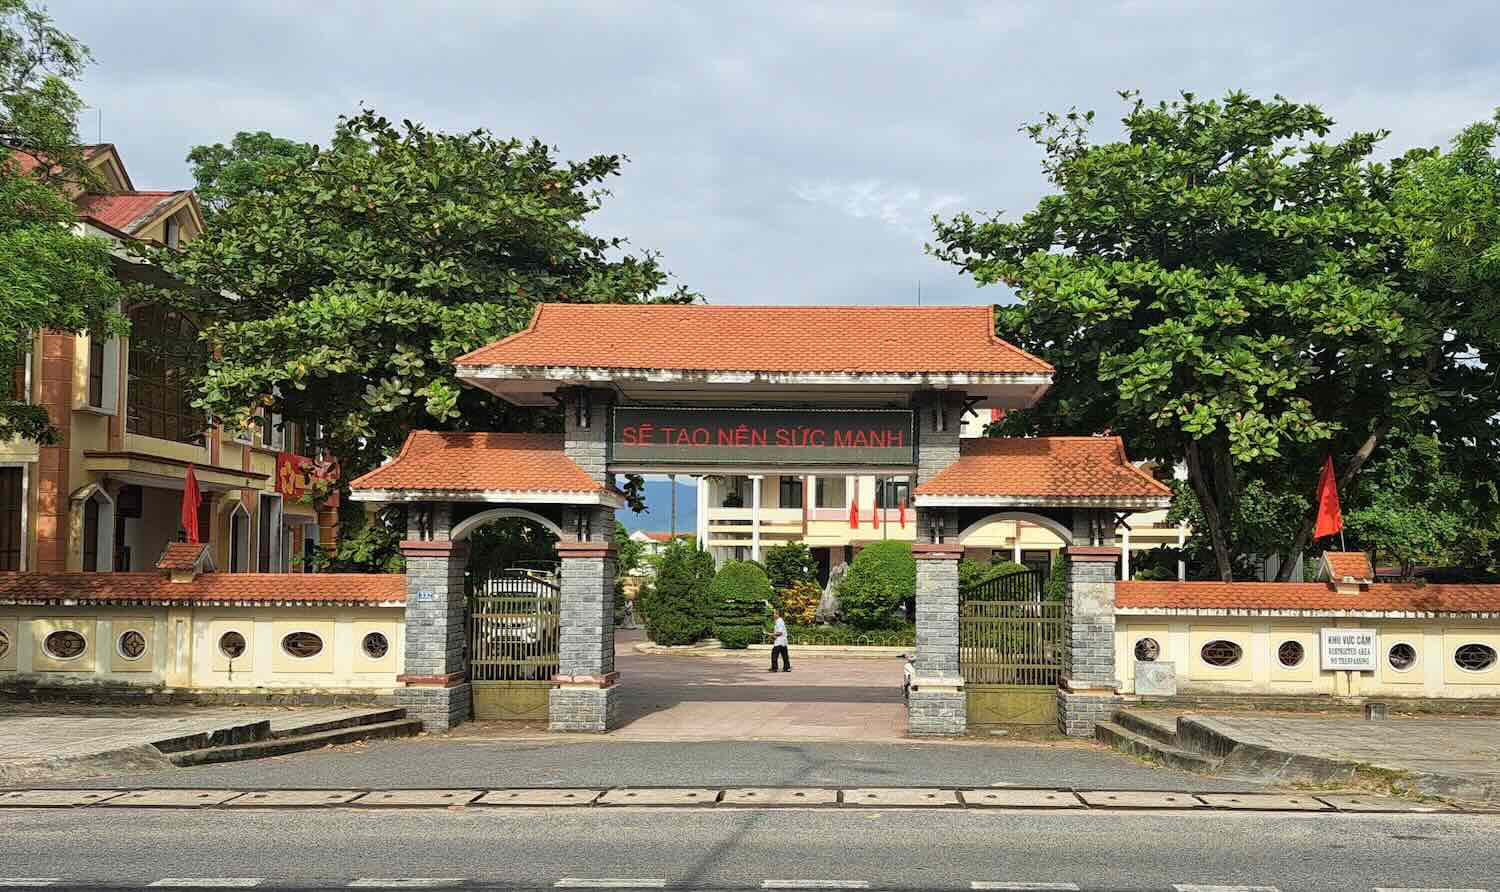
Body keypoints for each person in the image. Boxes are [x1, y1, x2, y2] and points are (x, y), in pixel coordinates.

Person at [769, 608, 791, 673]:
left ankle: (774, 668)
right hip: (783, 641)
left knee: (774, 654)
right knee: (784, 655)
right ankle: (787, 667)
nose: (773, 615)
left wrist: (772, 634)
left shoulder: (779, 621)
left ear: (778, 614)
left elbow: (780, 632)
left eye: (775, 613)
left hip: (779, 641)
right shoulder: (779, 621)